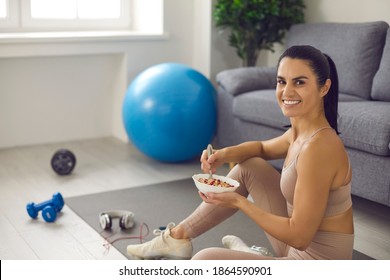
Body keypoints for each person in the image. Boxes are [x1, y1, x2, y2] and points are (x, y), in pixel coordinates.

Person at [126, 45, 354, 260]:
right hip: (292, 249)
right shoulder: (301, 133)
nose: (287, 91)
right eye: (281, 81)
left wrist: (240, 203)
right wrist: (222, 154)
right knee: (249, 166)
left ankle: (251, 256)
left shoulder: (319, 147)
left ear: (324, 87)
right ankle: (176, 238)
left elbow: (300, 238)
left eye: (299, 82)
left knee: (204, 260)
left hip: (314, 263)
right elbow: (262, 149)